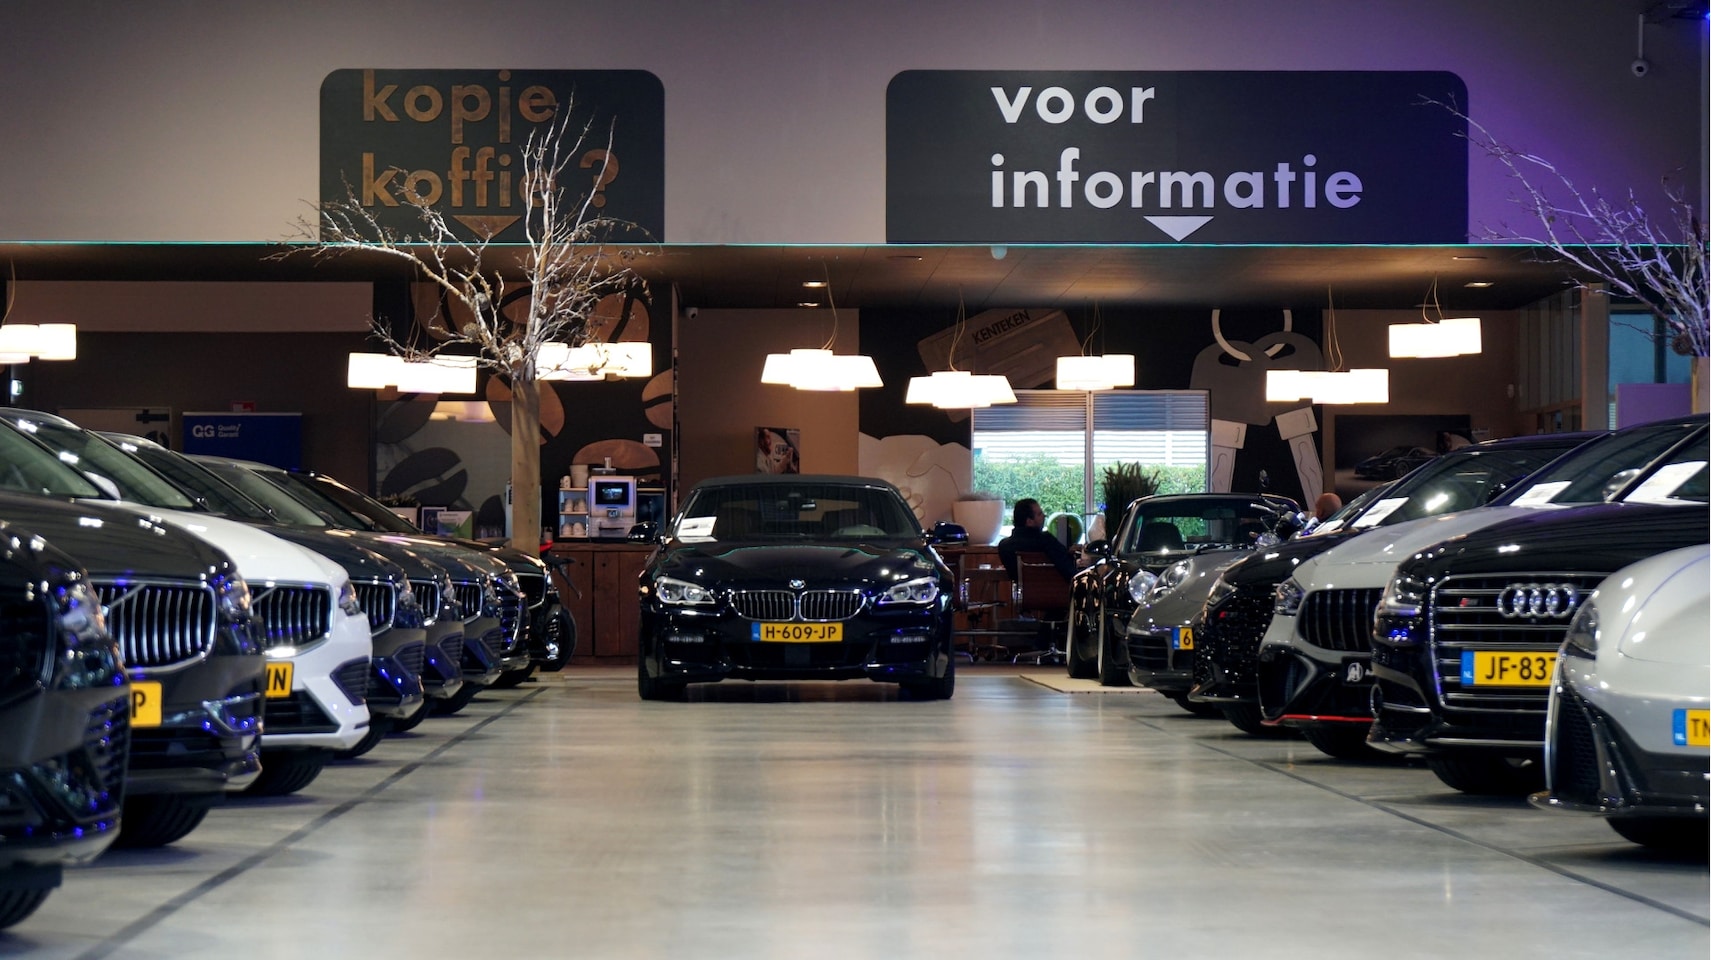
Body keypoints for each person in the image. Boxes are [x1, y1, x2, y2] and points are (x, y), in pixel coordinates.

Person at [997, 498, 1078, 583]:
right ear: (1029, 522)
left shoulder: (1004, 546)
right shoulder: (1046, 541)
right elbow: (1069, 570)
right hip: (1054, 589)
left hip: (1023, 590)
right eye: (1040, 514)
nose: (1044, 516)